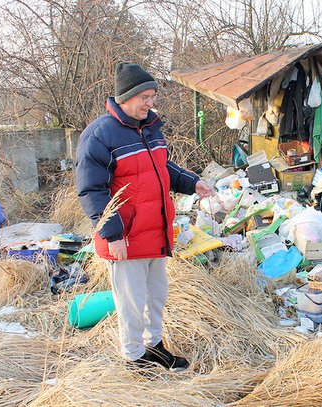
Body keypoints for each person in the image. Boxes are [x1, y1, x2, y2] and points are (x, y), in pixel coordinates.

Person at [76, 62, 213, 372]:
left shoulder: (149, 128)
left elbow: (162, 167)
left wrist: (192, 182)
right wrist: (114, 235)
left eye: (153, 97)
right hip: (125, 237)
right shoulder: (99, 135)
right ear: (127, 96)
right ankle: (135, 357)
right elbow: (91, 190)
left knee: (156, 298)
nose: (151, 103)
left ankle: (155, 345)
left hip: (155, 231)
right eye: (146, 97)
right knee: (131, 302)